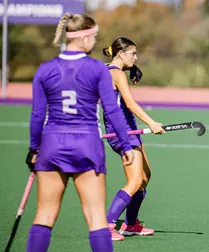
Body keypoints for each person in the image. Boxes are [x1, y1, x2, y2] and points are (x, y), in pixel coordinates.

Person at [26, 13, 136, 252]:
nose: (95, 42)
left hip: (52, 145)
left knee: (44, 215)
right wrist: (126, 145)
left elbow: (37, 115)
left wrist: (34, 148)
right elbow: (113, 111)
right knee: (96, 217)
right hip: (87, 144)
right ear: (84, 38)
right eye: (94, 37)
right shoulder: (97, 69)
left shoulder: (45, 70)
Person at [102, 37, 164, 241]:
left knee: (145, 177)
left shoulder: (110, 70)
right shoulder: (116, 73)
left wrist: (132, 69)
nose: (136, 58)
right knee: (136, 180)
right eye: (133, 54)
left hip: (129, 130)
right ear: (120, 53)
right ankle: (107, 226)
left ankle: (130, 224)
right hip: (123, 131)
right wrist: (152, 123)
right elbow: (130, 104)